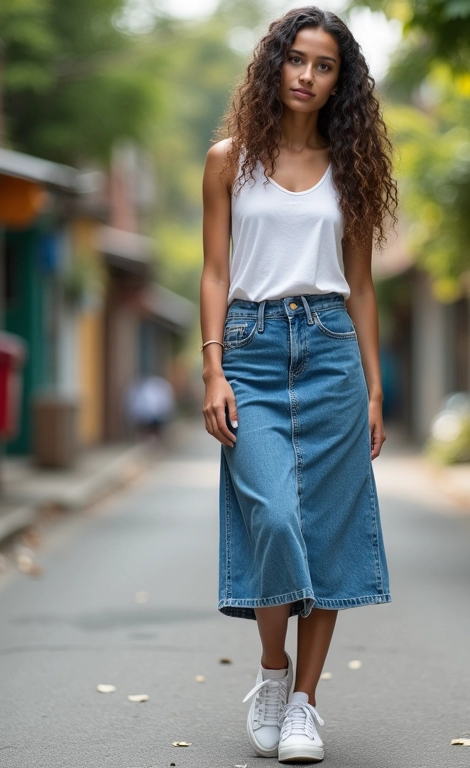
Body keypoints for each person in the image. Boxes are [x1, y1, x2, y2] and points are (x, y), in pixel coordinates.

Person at [200, 7, 397, 764]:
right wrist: (213, 367)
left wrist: (376, 390)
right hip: (248, 349)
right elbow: (215, 271)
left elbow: (364, 288)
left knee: (328, 533)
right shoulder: (229, 160)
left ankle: (307, 704)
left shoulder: (351, 170)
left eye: (325, 66)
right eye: (297, 60)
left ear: (339, 82)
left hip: (330, 352)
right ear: (274, 64)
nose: (307, 76)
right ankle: (273, 673)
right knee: (275, 516)